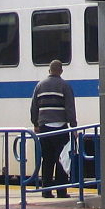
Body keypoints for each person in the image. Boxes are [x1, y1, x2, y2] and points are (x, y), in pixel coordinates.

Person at [30, 59, 77, 198]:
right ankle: (61, 191)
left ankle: (46, 190)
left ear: (49, 70)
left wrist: (35, 124)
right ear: (61, 71)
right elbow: (70, 108)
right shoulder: (65, 86)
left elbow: (34, 107)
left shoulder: (39, 86)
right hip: (61, 127)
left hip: (44, 128)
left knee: (47, 159)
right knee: (61, 159)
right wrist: (73, 126)